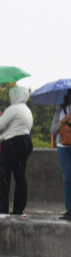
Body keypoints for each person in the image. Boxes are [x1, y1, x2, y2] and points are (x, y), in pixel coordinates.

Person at [0, 86, 33, 219]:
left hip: (12, 142)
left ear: (15, 96)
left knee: (3, 175)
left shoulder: (13, 109)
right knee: (20, 176)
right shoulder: (27, 110)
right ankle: (19, 209)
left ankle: (2, 209)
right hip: (26, 141)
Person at [50, 89, 71, 220]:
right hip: (63, 147)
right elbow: (52, 130)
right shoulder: (60, 110)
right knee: (67, 178)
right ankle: (69, 210)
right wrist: (64, 120)